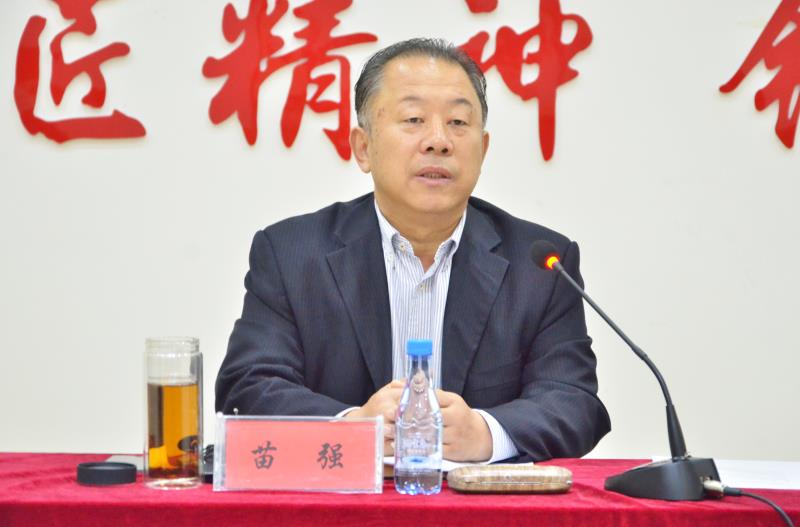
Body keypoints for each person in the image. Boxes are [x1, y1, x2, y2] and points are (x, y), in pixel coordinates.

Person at [215, 38, 610, 463]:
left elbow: (573, 400)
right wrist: (353, 428)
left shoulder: (540, 265)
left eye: (458, 122)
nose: (438, 141)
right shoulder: (292, 255)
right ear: (363, 148)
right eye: (414, 119)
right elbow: (247, 387)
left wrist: (486, 433)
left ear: (483, 150)